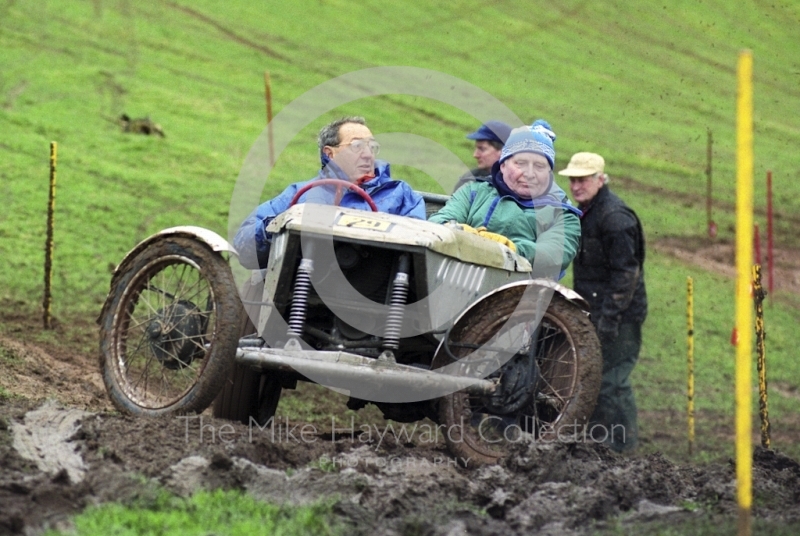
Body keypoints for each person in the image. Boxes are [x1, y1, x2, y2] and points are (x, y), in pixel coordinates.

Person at [235, 116, 426, 269]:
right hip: (301, 291)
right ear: (330, 154)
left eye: (372, 147)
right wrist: (279, 225)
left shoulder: (401, 194)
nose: (368, 154)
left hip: (380, 298)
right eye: (357, 146)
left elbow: (421, 251)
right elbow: (245, 246)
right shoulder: (301, 193)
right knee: (255, 289)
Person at [557, 152, 647, 453]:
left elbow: (626, 274)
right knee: (595, 379)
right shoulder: (588, 212)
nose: (576, 186)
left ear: (599, 179)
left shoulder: (615, 218)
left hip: (619, 317)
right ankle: (598, 445)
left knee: (612, 381)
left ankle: (622, 449)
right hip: (599, 312)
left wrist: (608, 319)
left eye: (582, 180)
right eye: (573, 180)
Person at [430, 121, 581, 275]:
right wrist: (460, 231)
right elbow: (438, 221)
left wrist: (511, 248)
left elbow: (555, 254)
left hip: (521, 294)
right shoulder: (473, 191)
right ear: (503, 165)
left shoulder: (562, 213)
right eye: (521, 163)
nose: (529, 173)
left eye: (539, 166)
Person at [452, 120, 512, 193]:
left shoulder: (518, 184)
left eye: (482, 149)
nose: (475, 155)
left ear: (503, 151)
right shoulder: (470, 178)